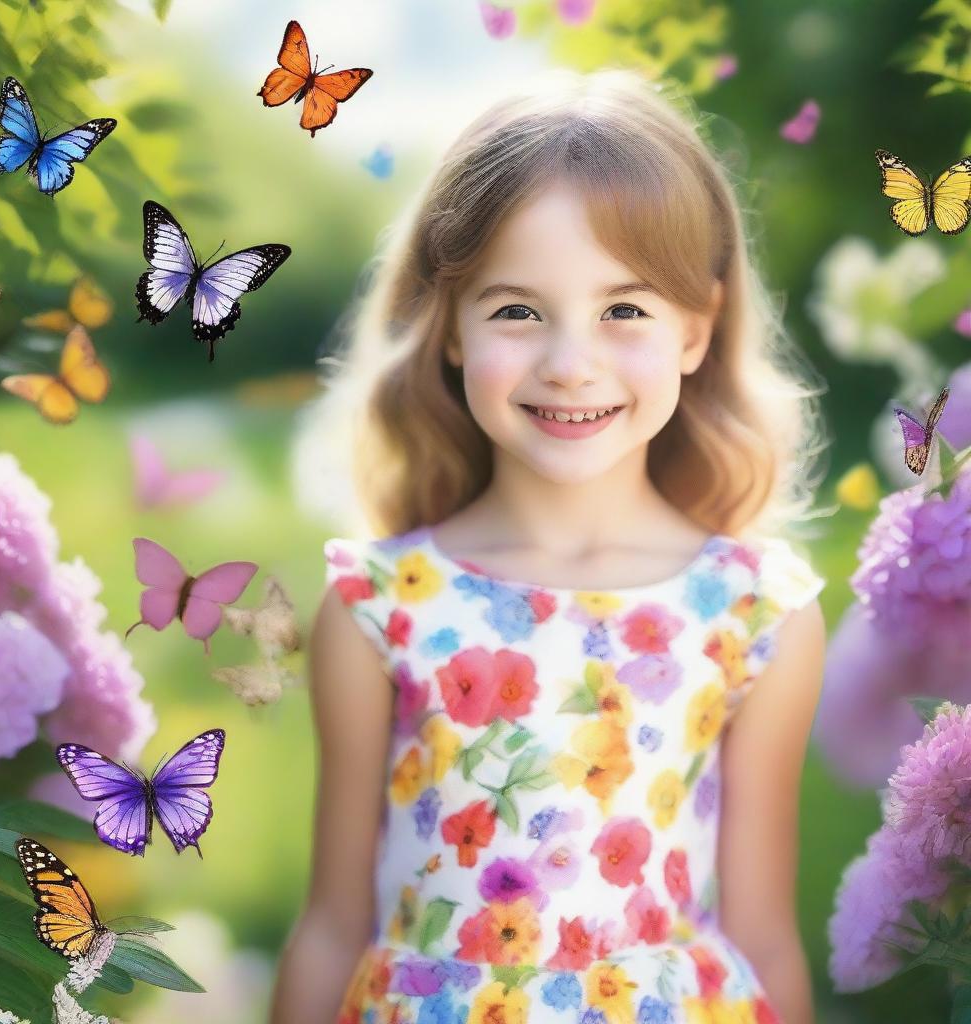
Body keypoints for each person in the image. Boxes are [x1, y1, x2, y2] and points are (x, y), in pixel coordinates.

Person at [270, 65, 828, 1024]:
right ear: (447, 326)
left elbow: (765, 933)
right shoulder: (378, 606)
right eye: (518, 310)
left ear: (698, 327)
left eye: (626, 309)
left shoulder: (759, 614)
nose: (572, 363)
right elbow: (331, 923)